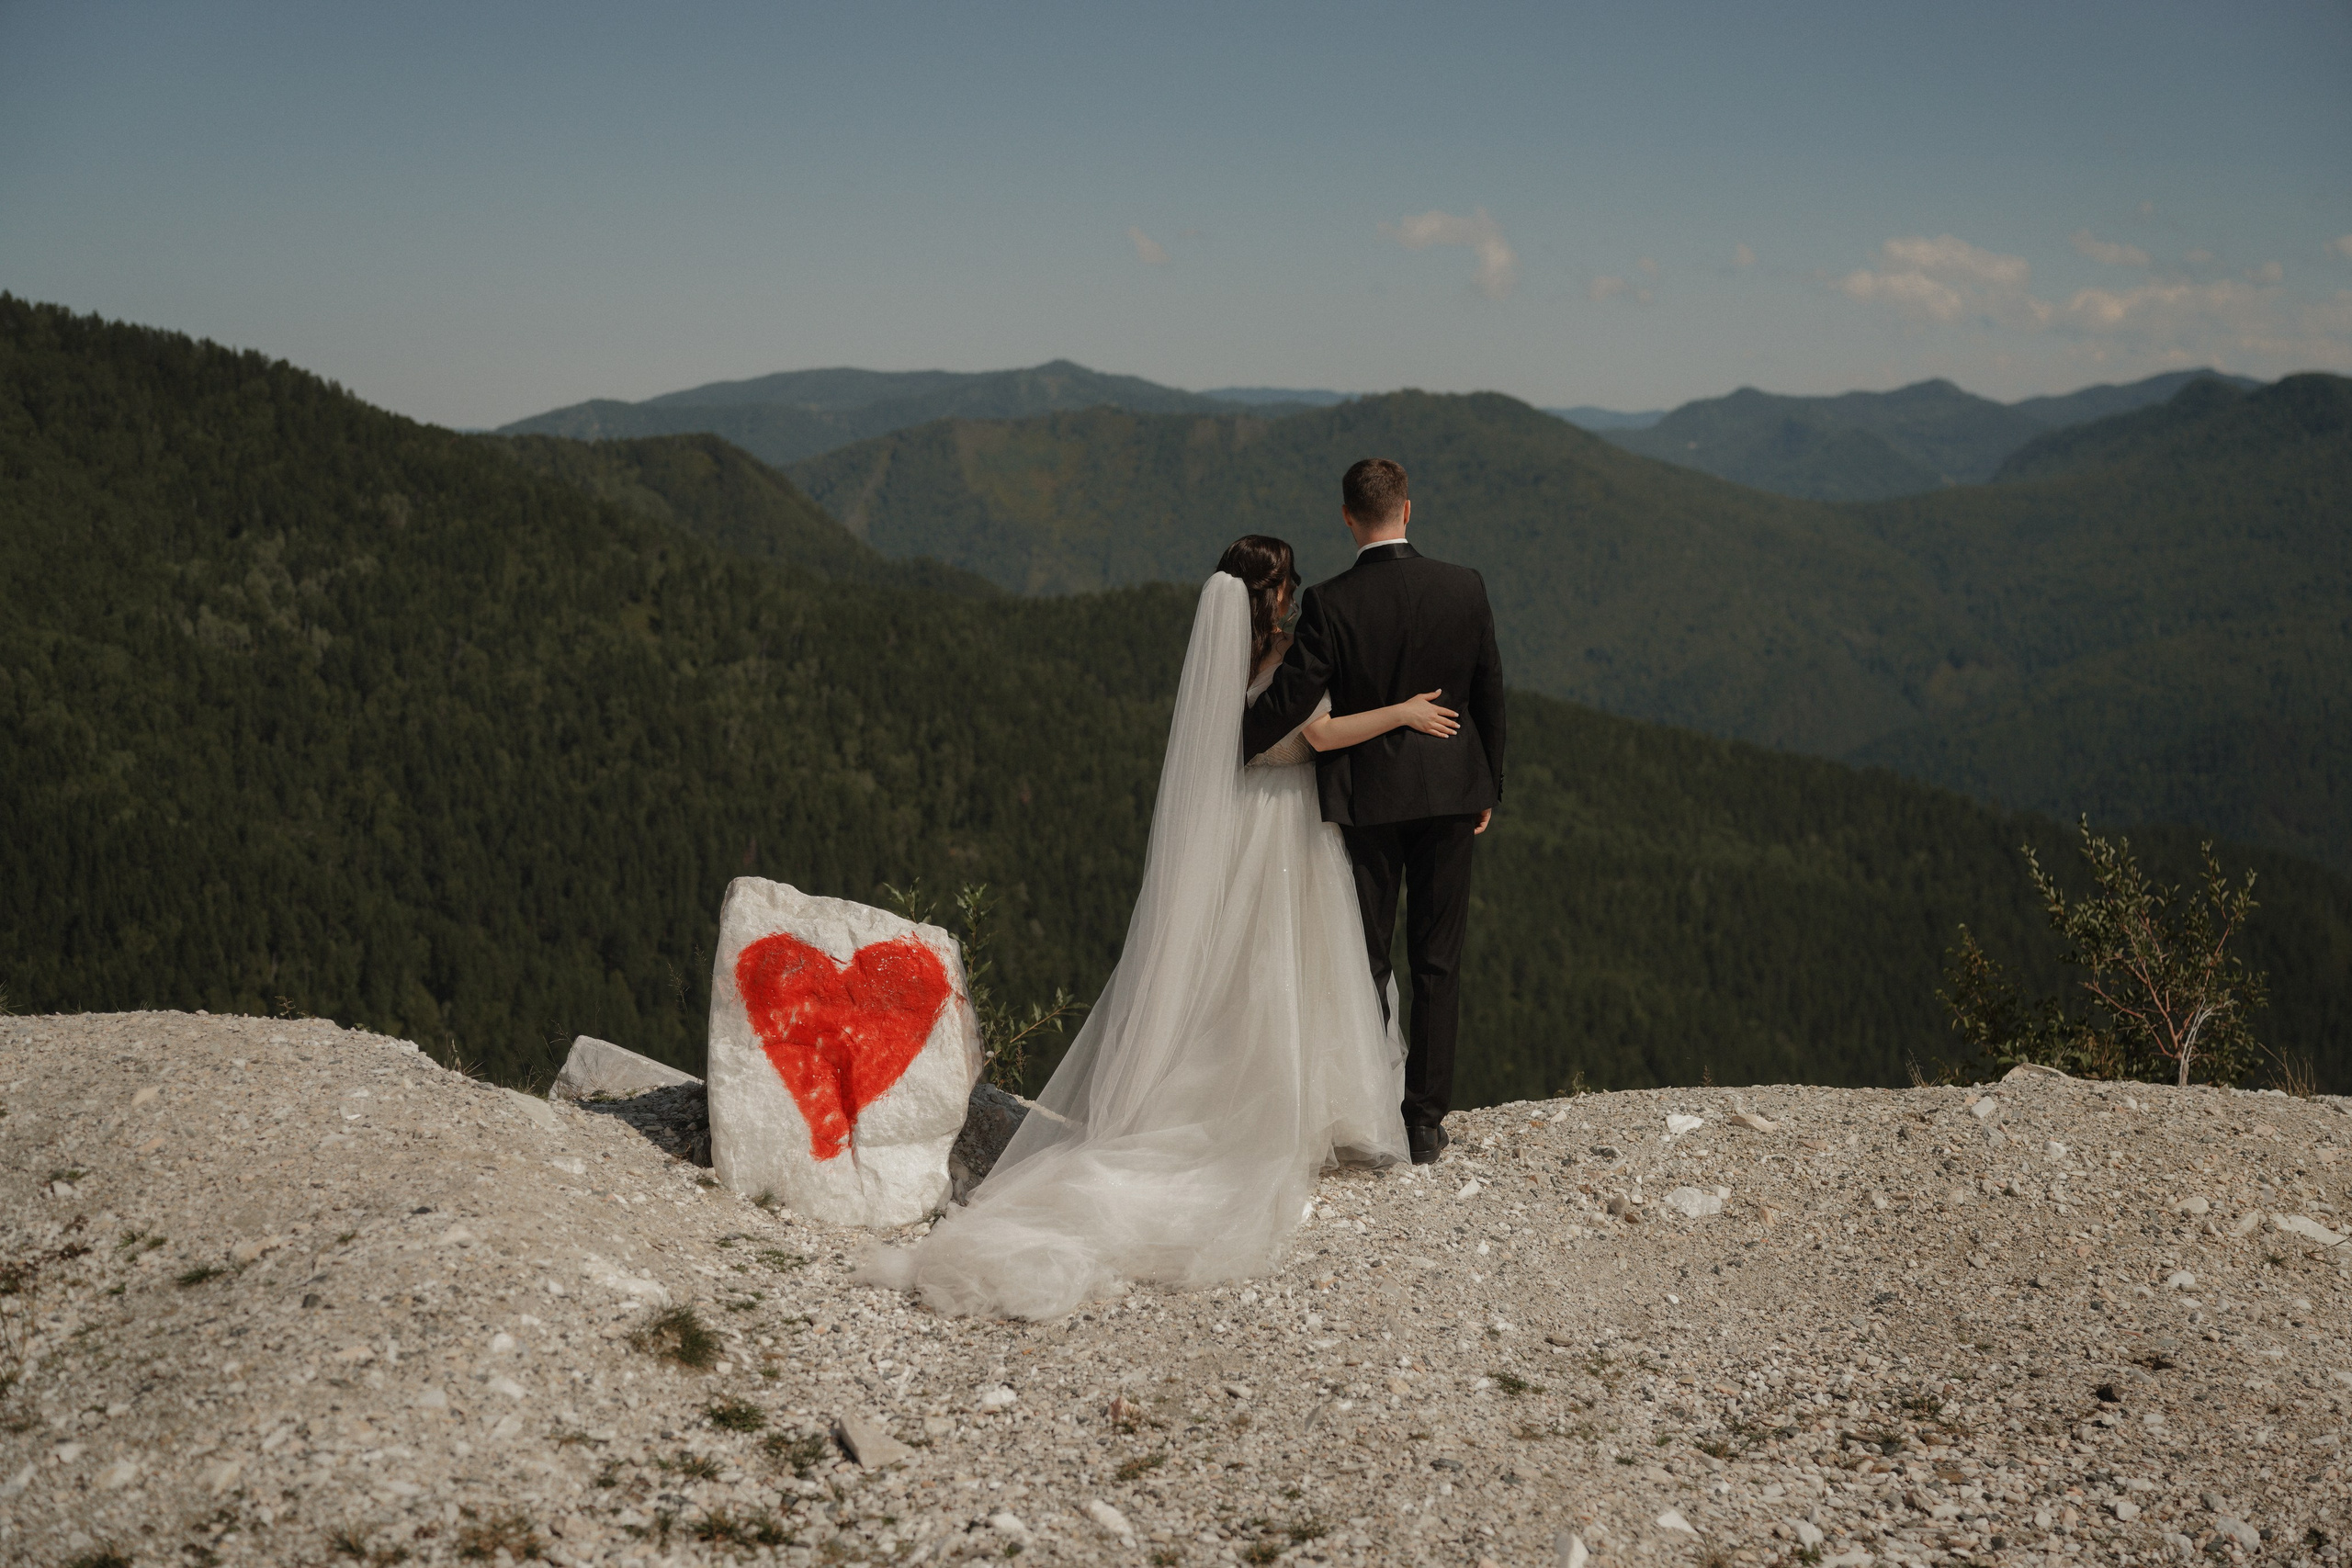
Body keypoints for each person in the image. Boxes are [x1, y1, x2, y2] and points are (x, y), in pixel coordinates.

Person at [859, 536, 1455, 1320]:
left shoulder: (1219, 663)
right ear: (1272, 596)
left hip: (1241, 824)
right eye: (1291, 585)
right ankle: (1299, 1109)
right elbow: (1314, 737)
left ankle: (1240, 1097)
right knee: (1288, 969)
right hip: (1286, 828)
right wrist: (1403, 714)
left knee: (1242, 975)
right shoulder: (1288, 656)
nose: (1299, 595)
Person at [1241, 458, 1507, 1167]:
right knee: (1438, 960)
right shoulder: (1465, 586)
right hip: (1453, 794)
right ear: (1408, 510)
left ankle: (1374, 1098)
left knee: (1368, 957)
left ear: (1348, 517)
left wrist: (1230, 739)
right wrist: (1488, 786)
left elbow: (1293, 698)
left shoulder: (1330, 602)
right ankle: (1424, 1121)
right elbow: (1489, 694)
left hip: (1371, 802)